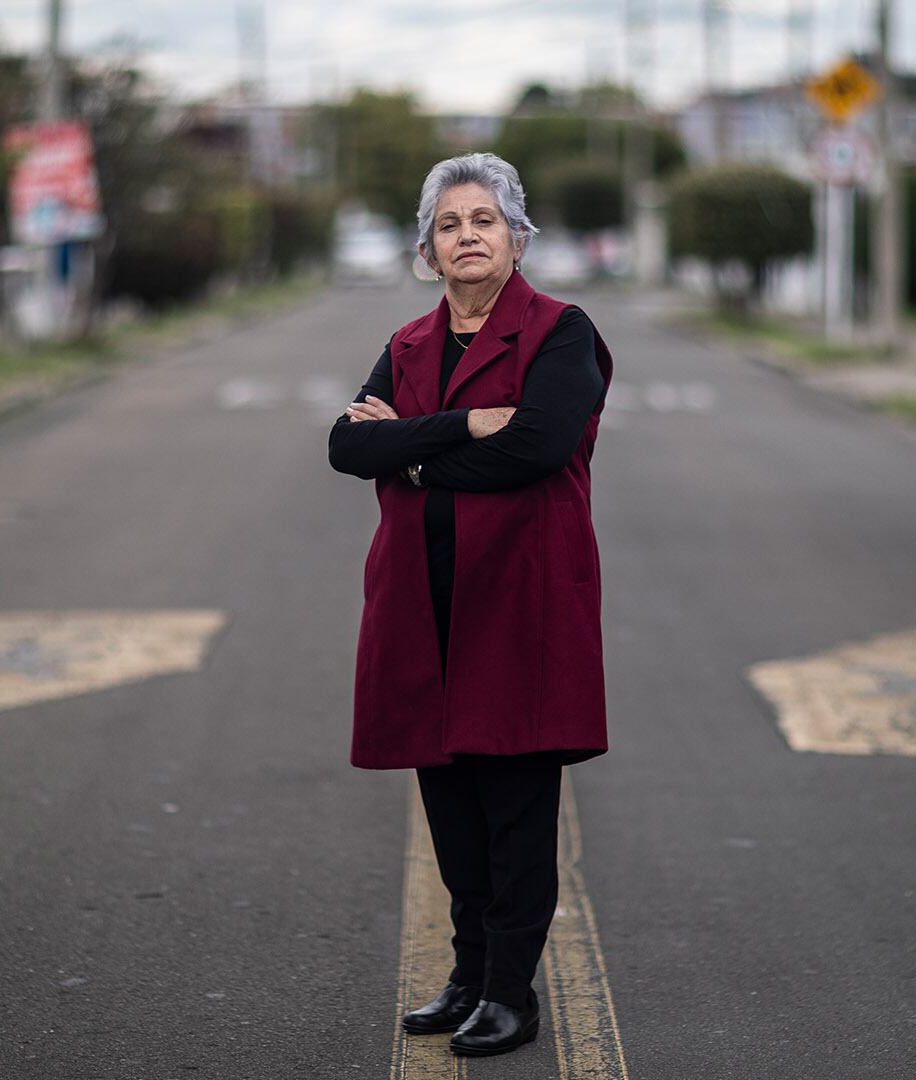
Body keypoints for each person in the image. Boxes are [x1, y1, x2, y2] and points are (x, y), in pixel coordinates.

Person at [327, 152, 613, 1058]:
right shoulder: (409, 346)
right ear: (426, 250)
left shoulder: (561, 333)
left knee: (517, 805)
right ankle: (466, 972)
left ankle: (509, 992)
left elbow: (535, 447)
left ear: (518, 238)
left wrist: (406, 452)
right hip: (422, 600)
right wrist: (458, 426)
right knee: (447, 799)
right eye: (449, 225)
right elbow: (344, 446)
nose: (467, 237)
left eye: (483, 221)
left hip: (519, 602)